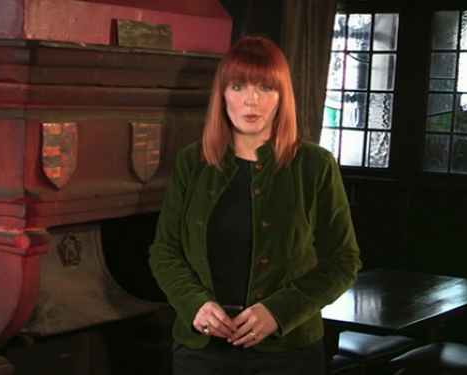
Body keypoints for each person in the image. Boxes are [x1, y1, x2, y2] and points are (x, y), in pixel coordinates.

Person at [148, 35, 361, 375]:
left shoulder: (315, 166)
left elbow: (344, 261)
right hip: (202, 351)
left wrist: (279, 311)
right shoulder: (193, 162)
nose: (252, 101)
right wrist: (195, 305)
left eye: (265, 88)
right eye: (238, 87)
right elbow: (164, 251)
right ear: (222, 96)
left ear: (281, 97)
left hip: (287, 354)